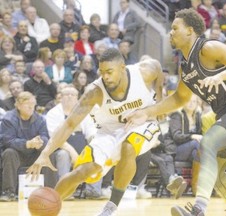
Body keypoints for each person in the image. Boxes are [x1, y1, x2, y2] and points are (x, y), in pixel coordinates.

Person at [125, 8, 226, 216]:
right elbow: (179, 98)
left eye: (175, 28)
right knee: (215, 174)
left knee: (207, 142)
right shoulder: (186, 67)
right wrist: (147, 112)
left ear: (190, 31)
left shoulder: (208, 48)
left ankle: (198, 209)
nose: (170, 32)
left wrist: (222, 76)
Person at [26, 48, 182, 215]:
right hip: (108, 132)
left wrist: (157, 103)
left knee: (129, 147)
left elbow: (158, 69)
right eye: (101, 72)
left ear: (122, 67)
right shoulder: (94, 92)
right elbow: (69, 124)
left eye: (109, 72)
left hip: (142, 123)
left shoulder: (145, 71)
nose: (105, 77)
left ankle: (111, 207)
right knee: (83, 171)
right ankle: (50, 205)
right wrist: (46, 153)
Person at [0, 92, 57, 201]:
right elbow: (7, 141)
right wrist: (27, 143)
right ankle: (8, 192)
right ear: (18, 105)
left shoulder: (40, 119)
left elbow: (45, 136)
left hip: (34, 154)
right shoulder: (8, 119)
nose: (31, 107)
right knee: (9, 152)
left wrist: (40, 141)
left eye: (33, 104)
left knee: (48, 154)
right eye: (28, 104)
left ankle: (51, 191)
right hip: (17, 154)